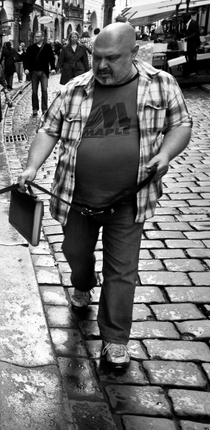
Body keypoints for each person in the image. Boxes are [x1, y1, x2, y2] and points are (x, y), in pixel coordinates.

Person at [17, 23, 192, 369]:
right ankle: (83, 282)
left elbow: (182, 124)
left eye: (111, 59)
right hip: (77, 199)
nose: (101, 66)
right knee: (75, 254)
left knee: (122, 271)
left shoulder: (161, 83)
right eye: (97, 57)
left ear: (133, 53)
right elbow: (49, 130)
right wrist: (31, 168)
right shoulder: (75, 89)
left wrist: (166, 154)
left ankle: (114, 339)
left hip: (130, 200)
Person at [24, 31, 56, 117]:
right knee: (34, 91)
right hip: (34, 72)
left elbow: (51, 58)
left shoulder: (47, 47)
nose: (36, 38)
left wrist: (53, 68)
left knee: (44, 91)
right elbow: (26, 59)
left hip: (44, 72)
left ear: (42, 37)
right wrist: (26, 68)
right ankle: (35, 108)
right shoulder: (31, 48)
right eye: (35, 36)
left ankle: (44, 108)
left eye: (38, 36)